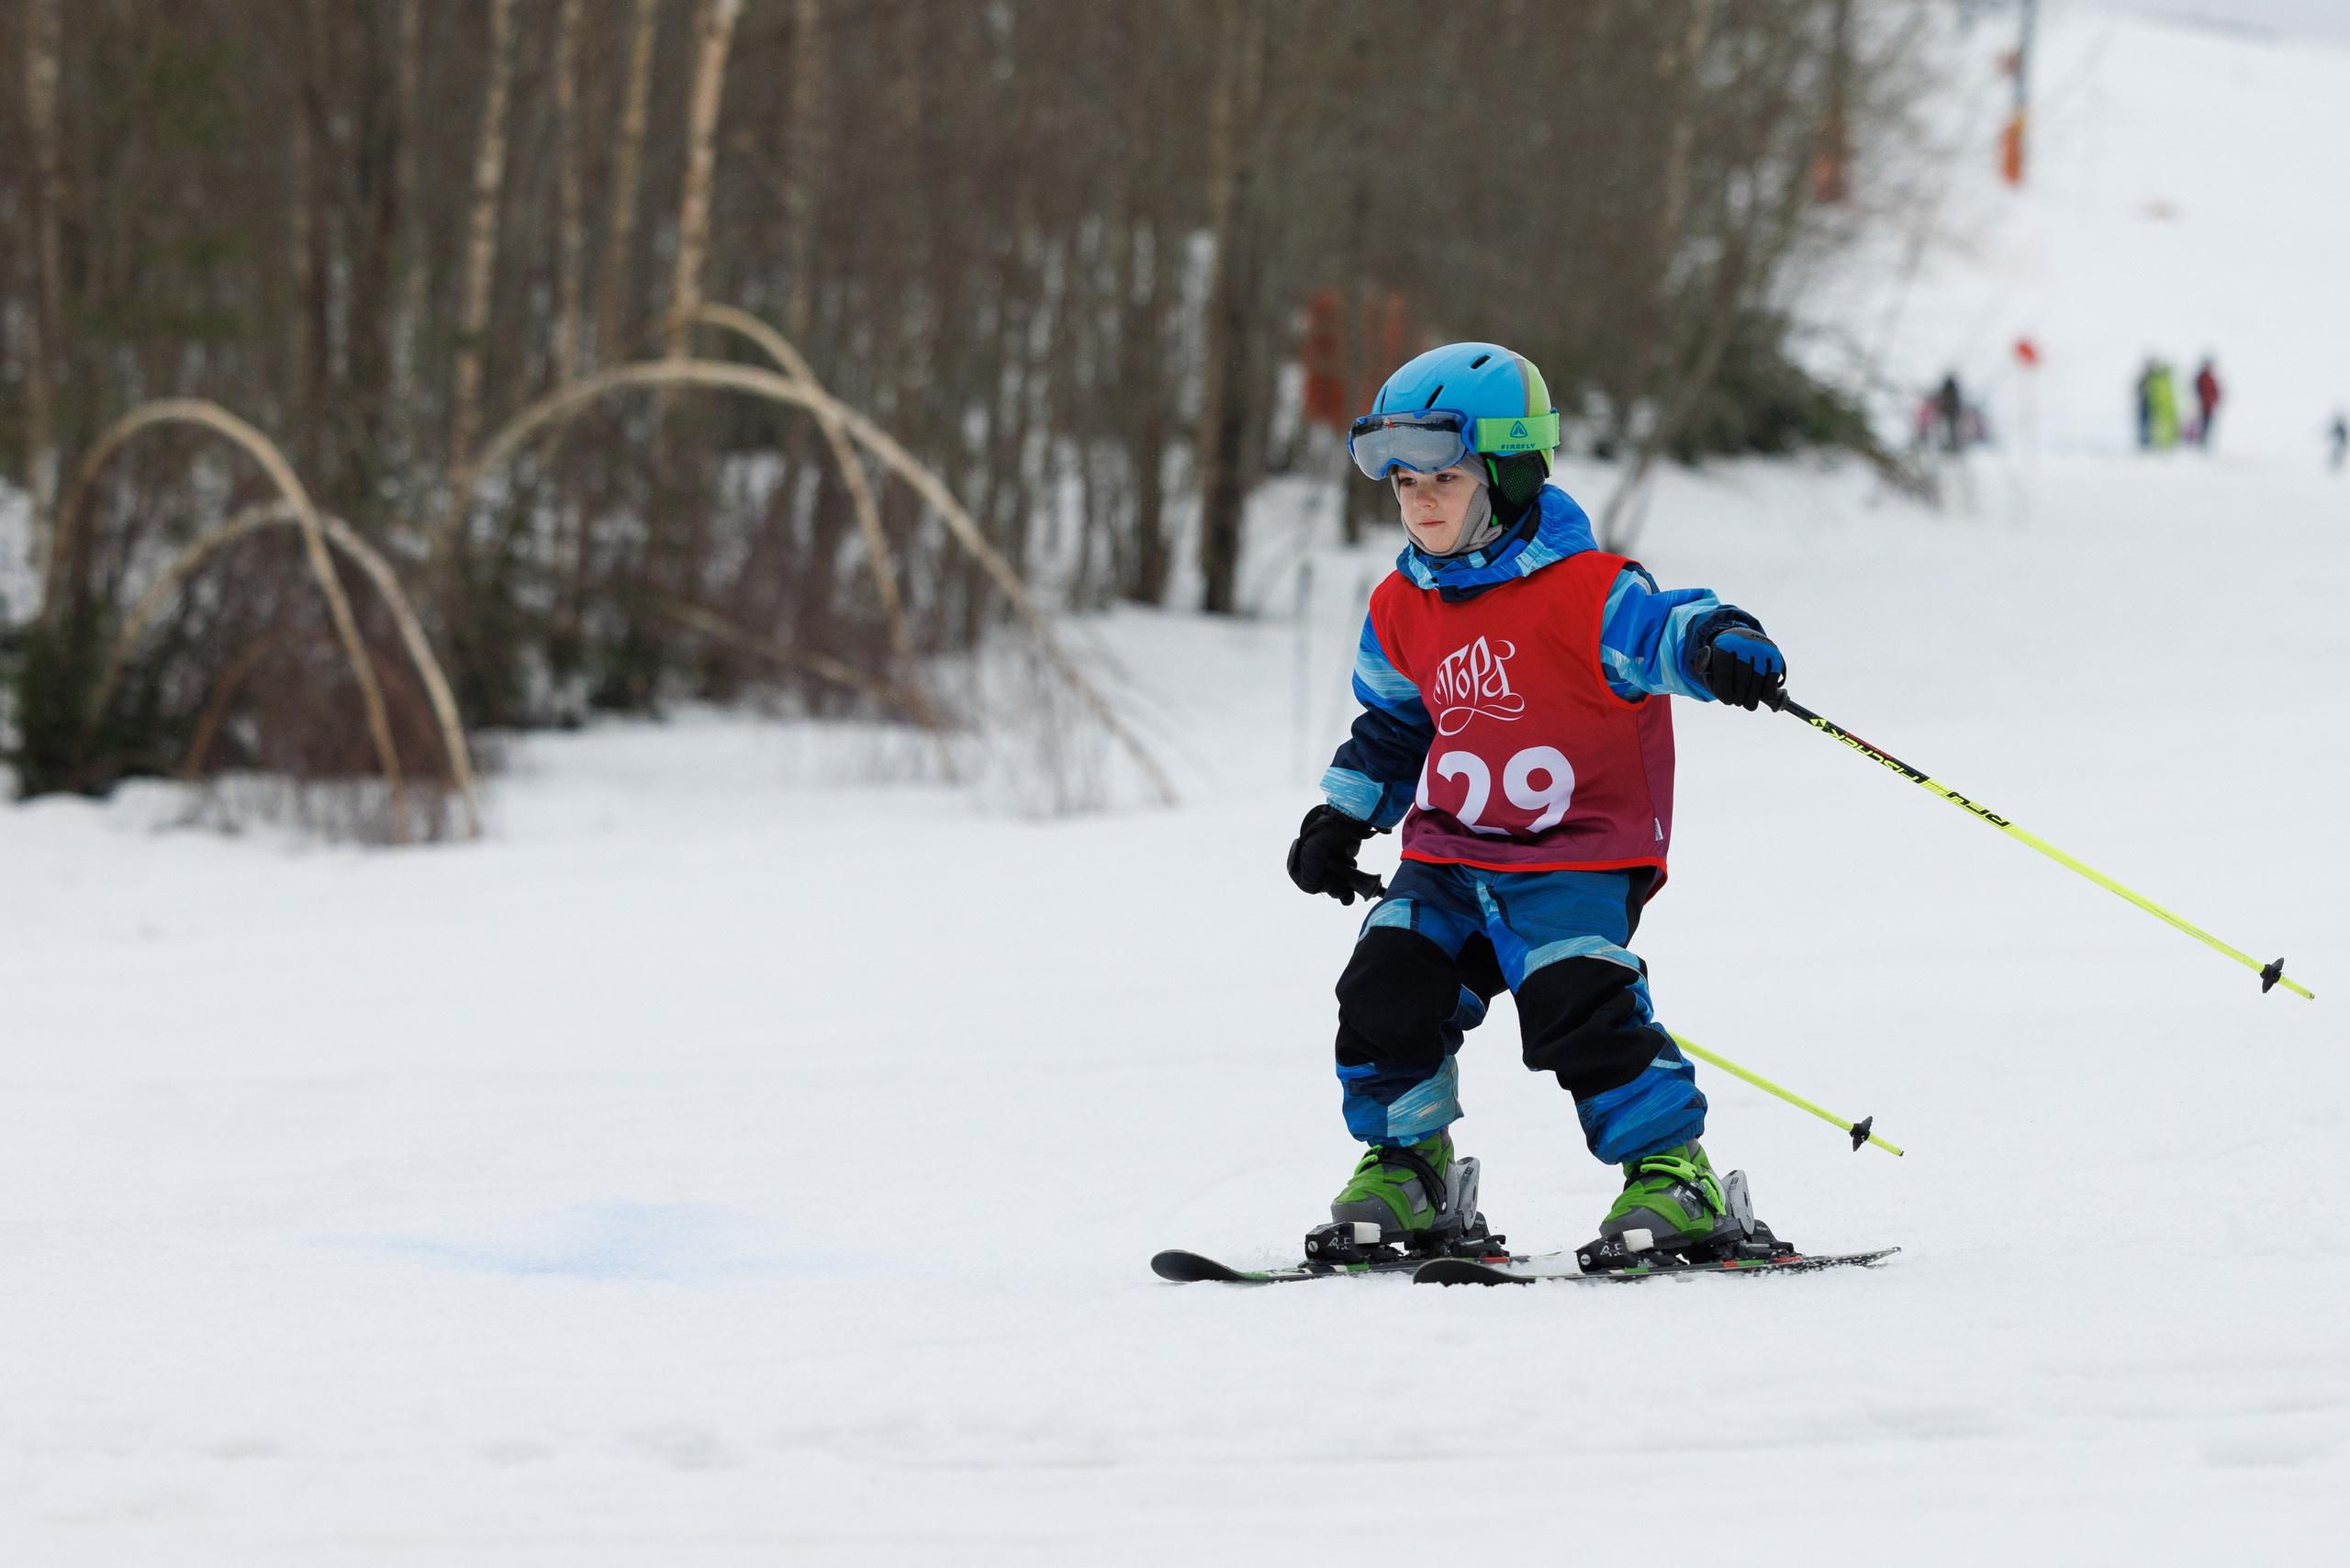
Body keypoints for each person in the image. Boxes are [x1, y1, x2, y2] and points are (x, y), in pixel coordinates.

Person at [1287, 342, 1786, 1256]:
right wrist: (1342, 814)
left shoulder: (1588, 593)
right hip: (1444, 857)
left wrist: (1721, 643)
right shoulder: (1401, 605)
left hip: (1575, 854)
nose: (1419, 500)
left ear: (1511, 470)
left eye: (1441, 475)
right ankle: (1410, 1169)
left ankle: (1677, 1179)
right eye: (1400, 482)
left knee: (1574, 1000)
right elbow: (1394, 727)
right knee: (1385, 985)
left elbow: (1666, 628)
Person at [2193, 357, 2221, 448]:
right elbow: (2196, 390)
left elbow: (2215, 391)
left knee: (2208, 425)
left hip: (2209, 406)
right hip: (2202, 406)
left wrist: (2216, 400)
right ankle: (2200, 443)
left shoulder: (2210, 377)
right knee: (2202, 425)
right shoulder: (2201, 377)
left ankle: (2204, 443)